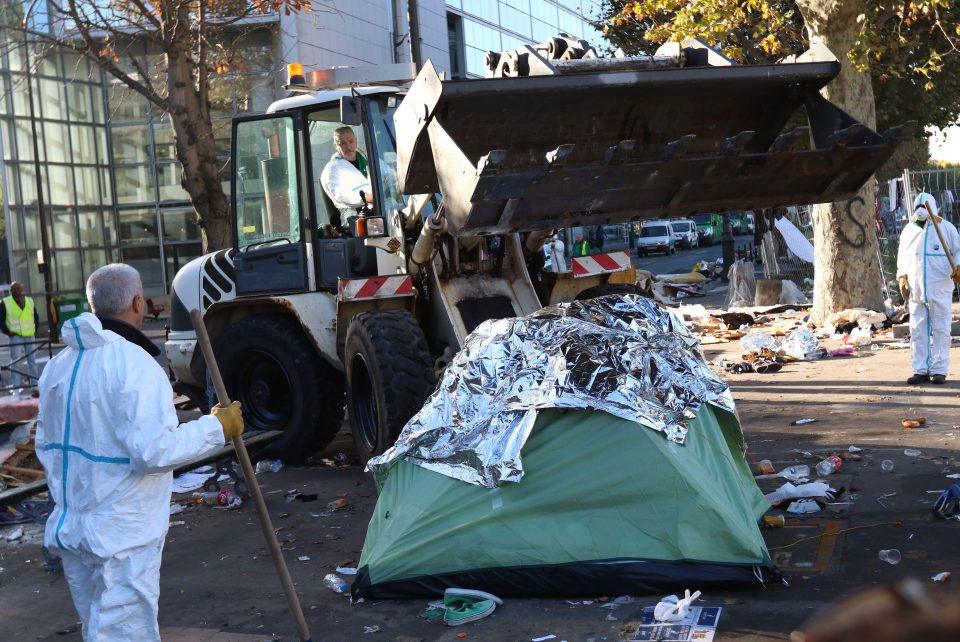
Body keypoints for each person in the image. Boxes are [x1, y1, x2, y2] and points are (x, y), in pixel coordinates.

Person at [36, 263, 244, 641]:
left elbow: (45, 446)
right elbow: (155, 452)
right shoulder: (135, 365)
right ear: (137, 302)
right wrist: (217, 428)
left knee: (98, 626)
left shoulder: (57, 368)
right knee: (122, 632)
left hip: (73, 529)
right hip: (122, 535)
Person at [896, 192, 960, 385]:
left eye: (924, 208)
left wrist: (958, 267)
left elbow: (958, 251)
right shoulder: (909, 230)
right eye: (917, 208)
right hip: (916, 287)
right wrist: (902, 275)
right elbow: (903, 255)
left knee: (941, 328)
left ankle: (939, 370)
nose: (920, 212)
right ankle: (920, 370)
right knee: (917, 329)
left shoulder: (946, 228)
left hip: (940, 285)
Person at [320, 126, 373, 218]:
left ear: (356, 141)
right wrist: (368, 197)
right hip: (353, 216)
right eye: (343, 144)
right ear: (336, 146)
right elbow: (340, 194)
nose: (348, 147)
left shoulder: (368, 158)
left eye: (351, 141)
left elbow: (389, 174)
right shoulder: (332, 169)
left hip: (378, 208)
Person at [1, 281, 39, 388]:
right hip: (16, 336)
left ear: (21, 289)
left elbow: (35, 316)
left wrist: (34, 329)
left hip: (30, 335)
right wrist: (7, 332)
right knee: (15, 361)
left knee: (32, 361)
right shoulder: (5, 302)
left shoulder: (30, 300)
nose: (16, 290)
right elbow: (1, 320)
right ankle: (16, 386)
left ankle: (34, 384)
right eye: (14, 289)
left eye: (18, 288)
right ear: (11, 290)